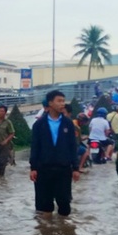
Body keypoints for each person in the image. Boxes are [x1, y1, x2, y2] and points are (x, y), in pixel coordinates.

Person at [29, 89, 80, 217]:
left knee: (64, 202)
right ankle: (47, 233)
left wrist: (75, 168)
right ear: (50, 103)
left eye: (63, 101)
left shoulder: (68, 123)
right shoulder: (39, 124)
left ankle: (64, 232)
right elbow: (35, 147)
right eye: (59, 101)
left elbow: (72, 147)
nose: (62, 104)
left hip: (63, 169)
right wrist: (33, 168)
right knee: (45, 205)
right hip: (43, 169)